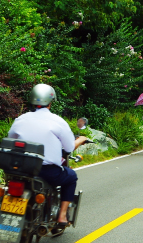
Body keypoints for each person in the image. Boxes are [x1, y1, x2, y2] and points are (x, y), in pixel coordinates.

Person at [7, 84, 88, 226]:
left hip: (20, 170)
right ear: (50, 103)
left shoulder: (20, 119)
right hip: (47, 172)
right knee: (71, 177)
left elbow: (10, 140)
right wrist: (80, 140)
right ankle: (62, 216)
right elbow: (68, 148)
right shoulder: (58, 121)